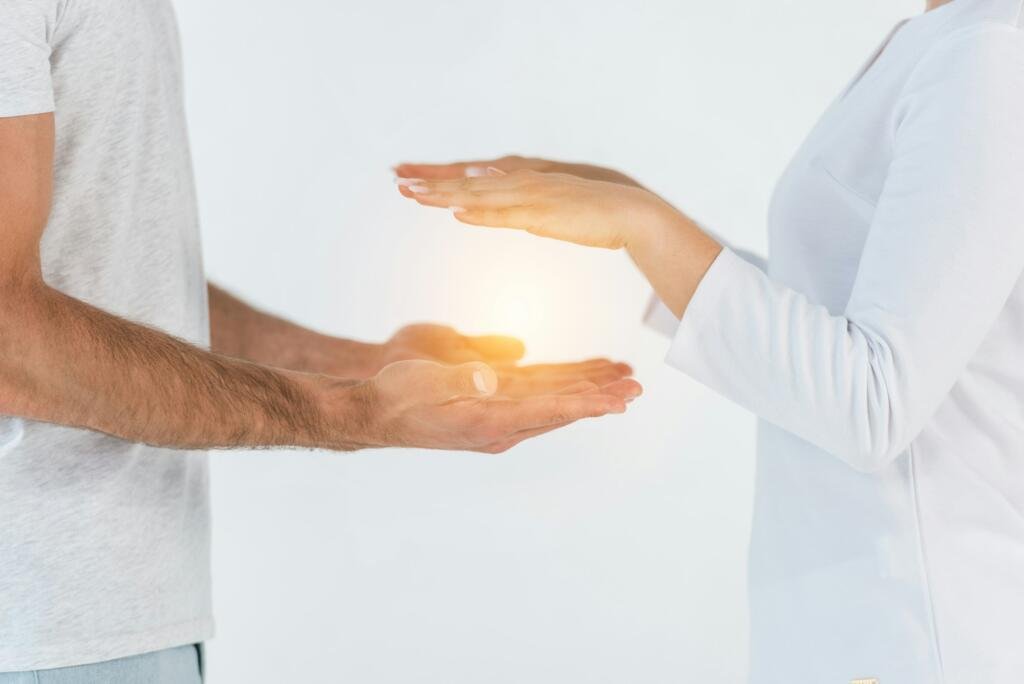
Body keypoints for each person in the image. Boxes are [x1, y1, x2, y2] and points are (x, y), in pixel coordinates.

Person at [0, 1, 642, 682]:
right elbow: (10, 335)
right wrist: (348, 412)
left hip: (111, 624)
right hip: (41, 633)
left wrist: (366, 369)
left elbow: (121, 281)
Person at [396, 0, 1024, 681]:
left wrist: (642, 224)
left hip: (917, 635)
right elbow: (842, 317)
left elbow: (873, 401)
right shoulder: (947, 40)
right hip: (859, 626)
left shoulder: (986, 51)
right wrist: (631, 211)